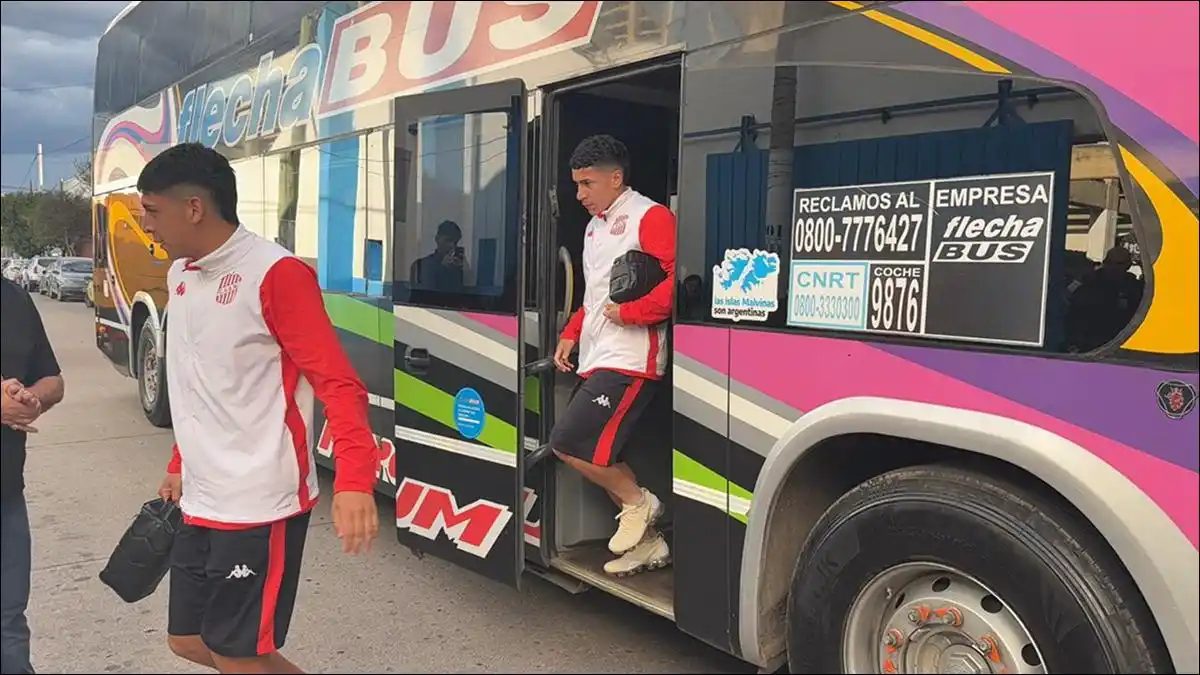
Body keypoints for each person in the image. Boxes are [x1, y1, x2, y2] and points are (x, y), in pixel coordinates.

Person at [135, 142, 381, 674]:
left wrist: (355, 481)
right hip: (201, 494)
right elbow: (198, 383)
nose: (145, 225)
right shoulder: (181, 275)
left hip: (258, 500)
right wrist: (180, 461)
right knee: (188, 641)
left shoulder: (276, 273)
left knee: (237, 652)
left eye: (152, 211)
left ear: (194, 208)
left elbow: (339, 384)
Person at [550, 135, 676, 576]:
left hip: (631, 358)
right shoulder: (594, 228)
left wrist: (631, 314)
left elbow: (680, 283)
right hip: (598, 355)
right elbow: (593, 296)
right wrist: (571, 333)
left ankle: (641, 504)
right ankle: (649, 544)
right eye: (577, 184)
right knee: (598, 452)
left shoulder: (650, 216)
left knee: (568, 442)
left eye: (587, 184)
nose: (579, 194)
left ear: (616, 178)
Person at [1, 276, 65, 675]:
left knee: (8, 625)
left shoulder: (14, 298)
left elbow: (53, 379)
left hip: (6, 495)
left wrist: (32, 399)